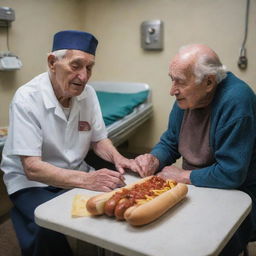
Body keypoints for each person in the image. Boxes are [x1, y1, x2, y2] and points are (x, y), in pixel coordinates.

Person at [1, 30, 139, 256]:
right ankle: (25, 215)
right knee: (47, 226)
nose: (84, 76)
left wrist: (120, 159)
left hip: (75, 171)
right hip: (30, 182)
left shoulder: (88, 94)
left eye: (89, 67)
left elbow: (99, 140)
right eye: (76, 66)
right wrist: (88, 179)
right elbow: (32, 167)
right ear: (52, 62)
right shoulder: (26, 98)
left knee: (115, 202)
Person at [135, 44, 256, 256]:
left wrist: (183, 175)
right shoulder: (188, 97)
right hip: (198, 186)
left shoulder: (237, 101)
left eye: (179, 81)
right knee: (156, 235)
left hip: (240, 192)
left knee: (205, 244)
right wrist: (154, 158)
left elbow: (232, 173)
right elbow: (171, 142)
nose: (172, 90)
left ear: (209, 82)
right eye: (172, 79)